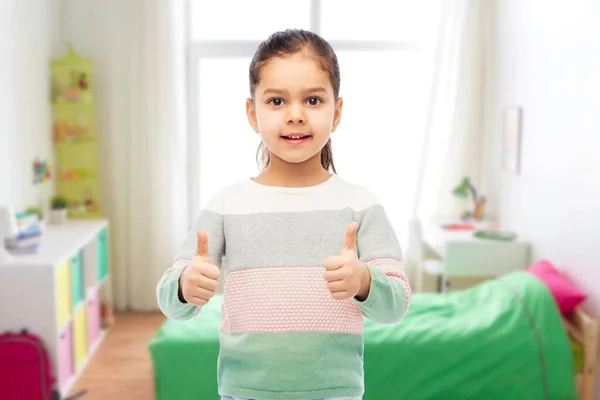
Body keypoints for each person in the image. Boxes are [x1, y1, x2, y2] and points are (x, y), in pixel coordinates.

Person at [156, 28, 412, 400]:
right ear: (252, 113)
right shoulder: (225, 205)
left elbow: (397, 304)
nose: (295, 115)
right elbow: (169, 298)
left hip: (335, 393)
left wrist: (363, 282)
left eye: (312, 100)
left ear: (336, 112)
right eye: (276, 102)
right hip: (244, 392)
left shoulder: (361, 205)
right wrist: (184, 287)